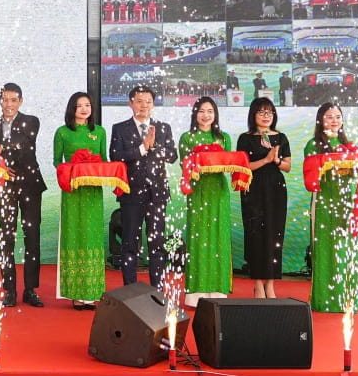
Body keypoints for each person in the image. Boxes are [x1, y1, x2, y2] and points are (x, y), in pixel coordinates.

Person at [108, 85, 177, 288]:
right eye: (139, 101)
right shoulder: (120, 128)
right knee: (130, 244)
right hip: (131, 194)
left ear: (153, 104)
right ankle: (130, 290)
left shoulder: (163, 128)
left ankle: (158, 291)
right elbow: (115, 155)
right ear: (131, 103)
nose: (144, 105)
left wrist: (154, 146)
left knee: (157, 244)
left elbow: (172, 155)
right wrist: (141, 148)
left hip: (157, 195)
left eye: (148, 101)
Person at [0, 82, 47, 307]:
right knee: (6, 238)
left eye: (13, 100)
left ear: (20, 101)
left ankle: (30, 289)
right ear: (0, 100)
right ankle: (9, 289)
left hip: (30, 185)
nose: (9, 104)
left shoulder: (31, 121)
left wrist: (1, 150)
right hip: (5, 187)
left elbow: (24, 143)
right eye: (5, 99)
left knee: (32, 236)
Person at [51, 91, 107, 309]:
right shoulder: (63, 132)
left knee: (92, 237)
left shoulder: (99, 132)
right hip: (72, 192)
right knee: (74, 235)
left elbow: (104, 161)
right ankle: (75, 293)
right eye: (79, 106)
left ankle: (92, 293)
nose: (84, 109)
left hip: (93, 193)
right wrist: (72, 172)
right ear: (72, 109)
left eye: (87, 105)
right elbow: (57, 162)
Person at [178, 96, 233, 306]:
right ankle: (196, 293)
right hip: (198, 191)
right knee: (198, 237)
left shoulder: (223, 138)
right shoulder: (187, 138)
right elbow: (185, 166)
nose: (206, 115)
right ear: (195, 114)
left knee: (219, 237)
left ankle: (218, 290)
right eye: (201, 111)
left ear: (215, 114)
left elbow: (229, 162)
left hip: (219, 192)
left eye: (210, 111)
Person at [237, 97, 291, 298]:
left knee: (274, 235)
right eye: (261, 112)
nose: (266, 116)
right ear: (253, 115)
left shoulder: (281, 137)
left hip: (276, 189)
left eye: (270, 112)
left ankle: (271, 284)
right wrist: (265, 160)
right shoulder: (245, 138)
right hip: (253, 189)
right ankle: (258, 283)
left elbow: (288, 166)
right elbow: (242, 167)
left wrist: (276, 161)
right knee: (255, 235)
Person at [305, 103, 356, 313]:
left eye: (337, 116)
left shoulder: (348, 145)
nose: (334, 120)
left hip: (344, 201)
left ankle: (346, 299)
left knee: (345, 247)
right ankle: (324, 299)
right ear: (320, 120)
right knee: (324, 248)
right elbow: (311, 174)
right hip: (323, 202)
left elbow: (354, 174)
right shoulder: (313, 145)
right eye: (329, 116)